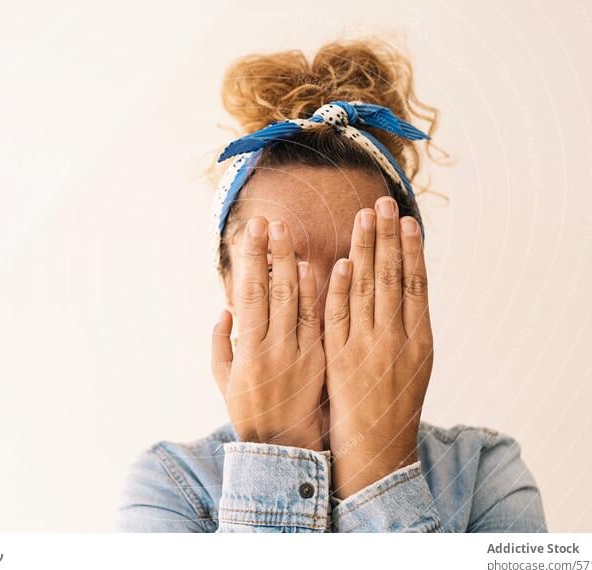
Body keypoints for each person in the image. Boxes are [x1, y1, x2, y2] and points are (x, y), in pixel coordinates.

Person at [118, 39, 547, 532]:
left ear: (409, 282)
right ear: (231, 284)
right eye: (278, 268)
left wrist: (378, 462)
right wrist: (275, 448)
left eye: (356, 265)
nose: (322, 304)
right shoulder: (168, 488)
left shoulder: (486, 477)